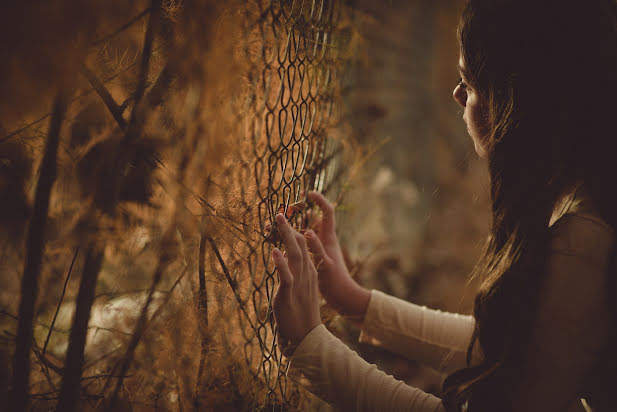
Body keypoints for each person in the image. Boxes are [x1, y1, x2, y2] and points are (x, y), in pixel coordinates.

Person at [270, 0, 617, 410]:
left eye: (469, 83)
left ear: (518, 103)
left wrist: (311, 349)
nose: (456, 95)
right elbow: (523, 350)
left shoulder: (584, 244)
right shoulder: (593, 197)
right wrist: (357, 303)